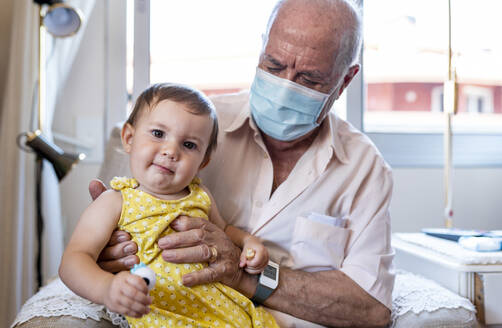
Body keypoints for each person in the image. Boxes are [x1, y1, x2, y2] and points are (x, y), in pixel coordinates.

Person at [93, 1, 394, 327]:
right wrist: (111, 253)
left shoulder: (364, 168)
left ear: (345, 80)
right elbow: (105, 247)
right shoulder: (191, 130)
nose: (284, 88)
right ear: (261, 47)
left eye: (309, 79)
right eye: (275, 65)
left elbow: (370, 308)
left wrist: (245, 274)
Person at [59, 83, 278, 328]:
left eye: (189, 145)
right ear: (129, 138)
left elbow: (225, 230)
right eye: (158, 134)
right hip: (159, 313)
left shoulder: (200, 196)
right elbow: (74, 259)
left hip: (222, 311)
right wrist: (106, 288)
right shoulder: (116, 200)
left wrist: (249, 242)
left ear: (203, 162)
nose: (171, 151)